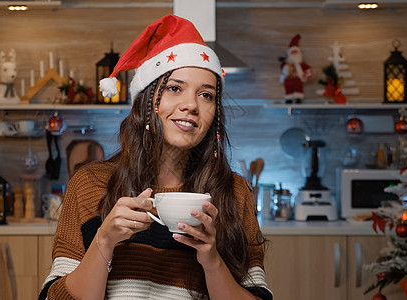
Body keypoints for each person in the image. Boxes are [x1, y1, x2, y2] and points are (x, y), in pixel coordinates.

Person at [39, 14, 272, 300]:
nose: (191, 105)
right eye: (175, 88)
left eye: (206, 95)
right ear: (149, 103)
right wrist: (104, 240)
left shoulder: (234, 194)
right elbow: (56, 297)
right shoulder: (90, 184)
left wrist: (212, 260)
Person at [279, 34, 313, 104]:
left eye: (296, 52)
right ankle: (289, 99)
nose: (294, 54)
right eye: (292, 52)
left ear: (299, 53)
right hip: (289, 78)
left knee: (298, 88)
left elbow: (308, 68)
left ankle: (298, 98)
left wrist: (307, 73)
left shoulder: (301, 63)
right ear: (289, 53)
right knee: (288, 88)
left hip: (298, 79)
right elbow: (282, 67)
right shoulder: (287, 63)